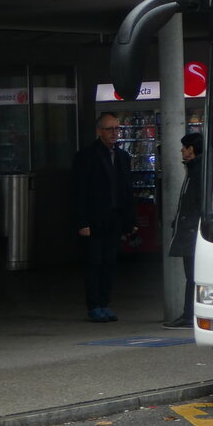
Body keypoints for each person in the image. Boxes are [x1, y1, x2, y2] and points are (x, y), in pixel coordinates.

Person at [71, 112, 138, 323]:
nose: (114, 133)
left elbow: (126, 191)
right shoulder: (86, 156)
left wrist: (130, 221)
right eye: (110, 129)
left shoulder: (122, 157)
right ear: (100, 131)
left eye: (117, 129)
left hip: (115, 218)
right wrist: (82, 222)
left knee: (110, 262)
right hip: (94, 219)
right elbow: (78, 192)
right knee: (94, 262)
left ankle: (105, 303)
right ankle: (93, 305)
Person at [164, 132, 203, 329]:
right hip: (190, 229)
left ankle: (189, 314)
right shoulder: (194, 170)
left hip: (192, 231)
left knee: (193, 275)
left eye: (184, 147)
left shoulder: (197, 173)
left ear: (191, 150)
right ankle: (191, 313)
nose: (181, 150)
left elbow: (196, 204)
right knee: (192, 275)